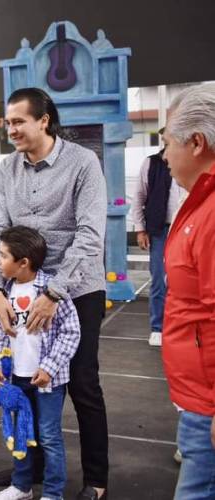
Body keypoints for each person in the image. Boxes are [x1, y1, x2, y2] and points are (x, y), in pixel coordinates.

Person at [0, 87, 109, 500]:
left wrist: (54, 292)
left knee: (82, 383)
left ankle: (96, 479)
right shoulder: (7, 169)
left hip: (77, 289)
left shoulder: (82, 163)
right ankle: (31, 469)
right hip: (20, 288)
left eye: (19, 121)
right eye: (8, 122)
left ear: (44, 120)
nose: (12, 129)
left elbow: (91, 236)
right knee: (23, 379)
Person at [0, 226, 80, 500]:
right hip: (16, 379)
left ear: (23, 262)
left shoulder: (51, 291)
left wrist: (49, 368)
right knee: (21, 433)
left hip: (47, 382)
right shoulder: (4, 292)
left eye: (3, 255)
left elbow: (71, 332)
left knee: (49, 437)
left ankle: (53, 493)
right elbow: (2, 332)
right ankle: (21, 486)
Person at [160, 83, 215, 499]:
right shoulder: (200, 201)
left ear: (196, 142)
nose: (164, 156)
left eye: (167, 142)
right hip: (197, 393)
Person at [129, 132, 186, 346]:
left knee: (183, 279)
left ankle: (179, 326)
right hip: (159, 228)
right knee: (159, 279)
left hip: (185, 227)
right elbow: (139, 196)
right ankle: (157, 327)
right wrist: (140, 229)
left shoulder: (190, 161)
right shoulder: (152, 163)